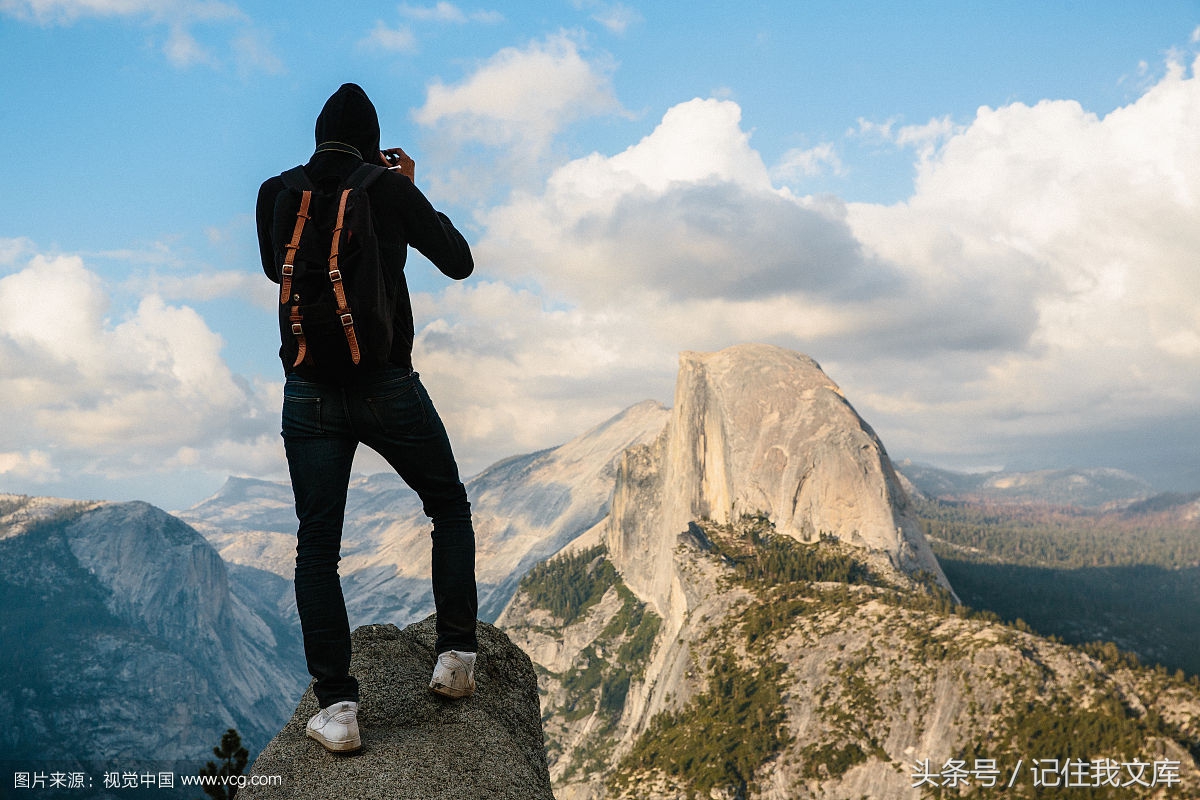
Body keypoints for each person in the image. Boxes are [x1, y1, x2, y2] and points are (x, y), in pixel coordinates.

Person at [256, 83, 479, 755]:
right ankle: (456, 660)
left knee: (317, 546)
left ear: (318, 134)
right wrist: (404, 190)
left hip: (309, 392)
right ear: (373, 142)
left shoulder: (275, 192)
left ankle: (339, 709)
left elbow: (275, 268)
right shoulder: (384, 189)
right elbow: (460, 262)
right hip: (385, 383)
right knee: (447, 506)